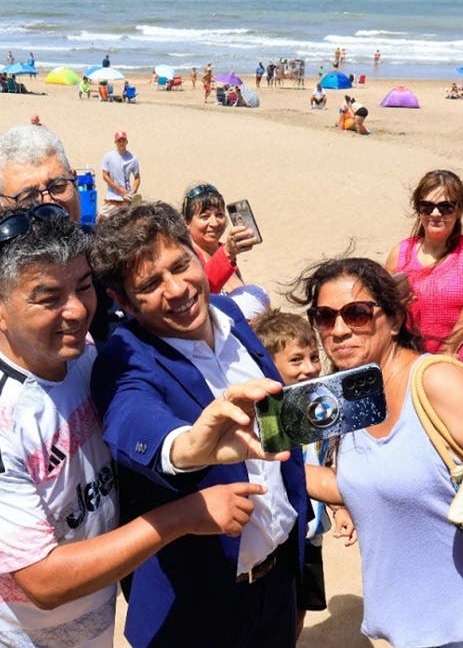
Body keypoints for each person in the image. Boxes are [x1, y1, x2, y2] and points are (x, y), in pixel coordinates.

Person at [0, 206, 263, 646]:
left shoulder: (80, 354)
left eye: (84, 287)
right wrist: (182, 517)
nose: (76, 311)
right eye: (49, 298)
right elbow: (44, 581)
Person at [294, 257, 463, 647]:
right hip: (415, 632)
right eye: (324, 317)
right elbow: (366, 486)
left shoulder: (436, 381)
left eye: (356, 314)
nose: (339, 330)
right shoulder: (352, 396)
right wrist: (267, 461)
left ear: (393, 320)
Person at [89, 201, 308, 648]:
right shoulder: (123, 360)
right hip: (196, 611)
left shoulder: (230, 314)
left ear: (195, 251)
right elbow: (136, 423)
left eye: (180, 266)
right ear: (122, 301)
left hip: (278, 585)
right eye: (150, 284)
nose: (177, 290)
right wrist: (189, 447)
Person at [0, 124, 116, 374]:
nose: (49, 203)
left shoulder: (113, 255)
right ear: (0, 207)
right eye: (28, 197)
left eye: (58, 186)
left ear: (74, 181)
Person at [250, 309, 352, 638]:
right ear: (268, 363)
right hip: (276, 535)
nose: (309, 368)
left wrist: (338, 507)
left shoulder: (319, 406)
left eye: (313, 357)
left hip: (311, 533)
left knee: (300, 604)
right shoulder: (263, 414)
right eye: (296, 360)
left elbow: (323, 463)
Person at [385, 169, 463, 364]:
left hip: (460, 362)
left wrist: (451, 348)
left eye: (445, 207)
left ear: (459, 210)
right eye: (427, 207)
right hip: (410, 360)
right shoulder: (400, 255)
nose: (435, 214)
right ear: (418, 209)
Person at [181, 182, 261, 300]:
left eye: (219, 215)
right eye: (205, 217)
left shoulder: (223, 250)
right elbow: (201, 293)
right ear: (186, 222)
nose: (214, 223)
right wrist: (227, 253)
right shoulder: (185, 257)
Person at [100, 131, 141, 214]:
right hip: (112, 198)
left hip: (126, 200)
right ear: (115, 142)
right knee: (101, 218)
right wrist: (119, 189)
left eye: (123, 140)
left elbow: (137, 178)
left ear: (126, 142)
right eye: (119, 141)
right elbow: (105, 175)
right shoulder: (108, 157)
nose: (121, 143)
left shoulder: (133, 159)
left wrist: (133, 192)